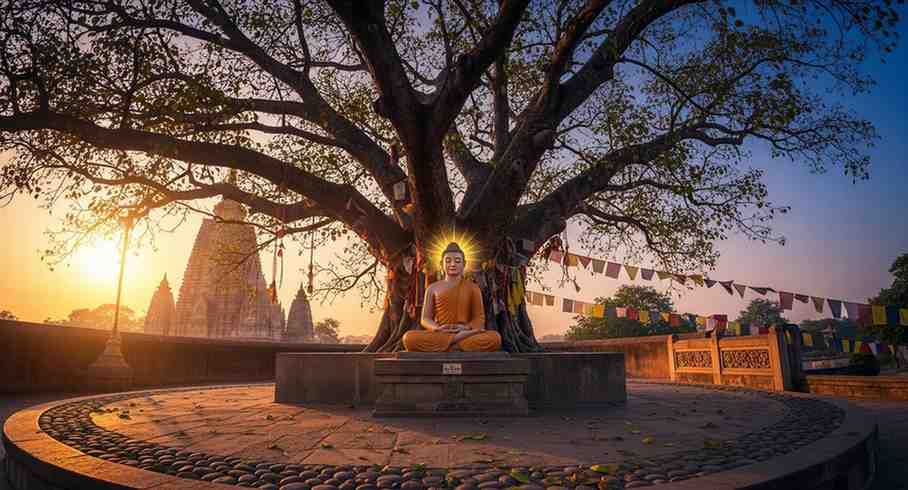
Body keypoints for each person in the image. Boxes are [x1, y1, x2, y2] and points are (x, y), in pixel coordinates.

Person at [402, 242, 501, 352]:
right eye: (448, 261)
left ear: (464, 264)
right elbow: (425, 318)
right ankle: (456, 343)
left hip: (464, 331)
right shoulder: (432, 288)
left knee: (495, 338)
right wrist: (438, 328)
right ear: (441, 264)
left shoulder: (473, 288)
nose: (453, 264)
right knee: (408, 338)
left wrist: (466, 328)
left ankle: (447, 344)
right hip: (442, 332)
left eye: (457, 261)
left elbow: (479, 318)